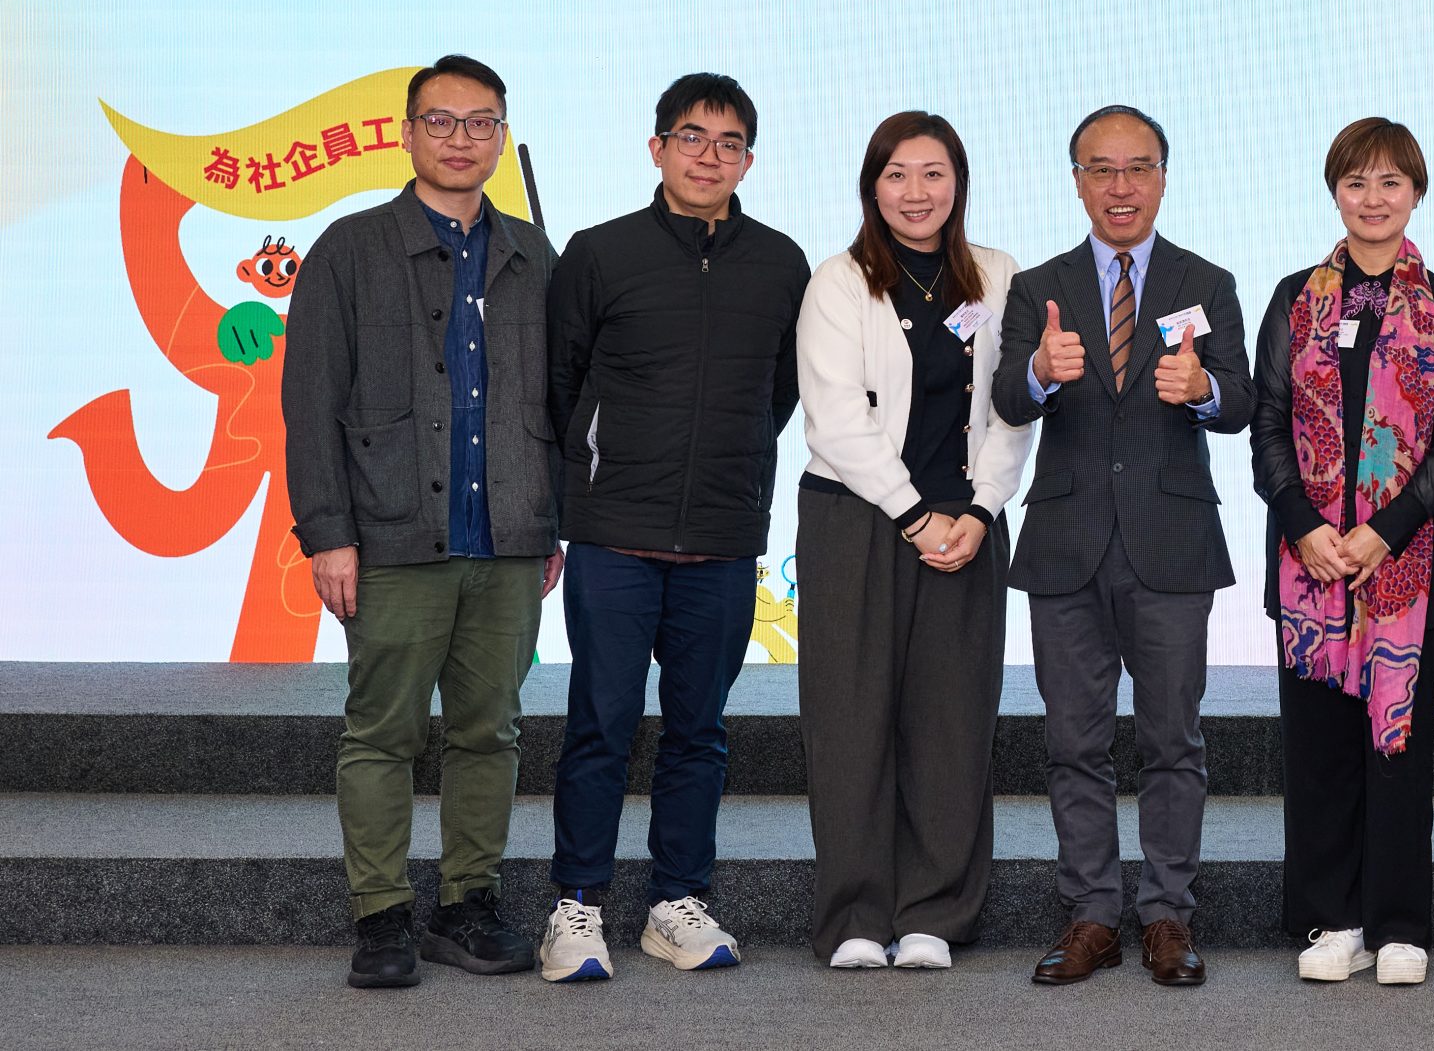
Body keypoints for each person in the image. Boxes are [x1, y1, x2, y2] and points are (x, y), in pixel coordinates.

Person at [283, 54, 562, 988]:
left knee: (491, 732)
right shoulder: (350, 249)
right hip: (392, 536)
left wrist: (550, 521)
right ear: (407, 134)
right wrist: (328, 531)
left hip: (508, 540)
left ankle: (466, 903)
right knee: (382, 735)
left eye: (481, 122)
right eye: (440, 121)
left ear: (502, 137)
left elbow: (562, 402)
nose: (460, 138)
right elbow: (310, 399)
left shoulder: (532, 255)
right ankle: (381, 914)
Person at [536, 73, 811, 981]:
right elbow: (562, 384)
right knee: (601, 723)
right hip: (614, 532)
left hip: (723, 540)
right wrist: (585, 492)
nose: (708, 156)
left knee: (700, 730)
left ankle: (676, 901)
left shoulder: (782, 263)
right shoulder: (600, 252)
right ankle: (577, 903)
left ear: (748, 161)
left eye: (729, 143)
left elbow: (777, 393)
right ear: (657, 148)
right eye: (691, 136)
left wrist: (728, 467)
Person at [993, 105, 1254, 988]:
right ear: (1077, 182)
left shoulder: (1206, 280)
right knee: (1074, 741)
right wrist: (1040, 371)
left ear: (1163, 177)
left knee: (1173, 739)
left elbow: (1245, 399)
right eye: (1101, 169)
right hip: (1067, 543)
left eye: (1138, 166)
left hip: (1171, 542)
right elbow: (1007, 394)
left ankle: (1168, 914)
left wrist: (1204, 386)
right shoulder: (1039, 286)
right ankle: (1092, 914)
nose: (1120, 186)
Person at [794, 111, 1032, 971]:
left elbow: (1014, 405)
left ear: (958, 183)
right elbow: (836, 416)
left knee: (953, 720)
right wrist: (912, 513)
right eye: (897, 174)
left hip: (967, 526)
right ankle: (856, 913)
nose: (916, 191)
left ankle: (936, 910)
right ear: (872, 186)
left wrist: (983, 508)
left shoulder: (998, 275)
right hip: (856, 520)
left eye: (934, 173)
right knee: (850, 718)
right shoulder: (839, 281)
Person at [1249, 118, 1434, 987]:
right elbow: (1268, 424)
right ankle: (1332, 919)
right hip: (1309, 565)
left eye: (1391, 181)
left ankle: (1398, 922)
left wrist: (1386, 529)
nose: (1373, 198)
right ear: (1335, 192)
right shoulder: (1295, 299)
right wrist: (1302, 522)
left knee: (1399, 751)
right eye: (1357, 181)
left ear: (1416, 192)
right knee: (1318, 754)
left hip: (1405, 567)